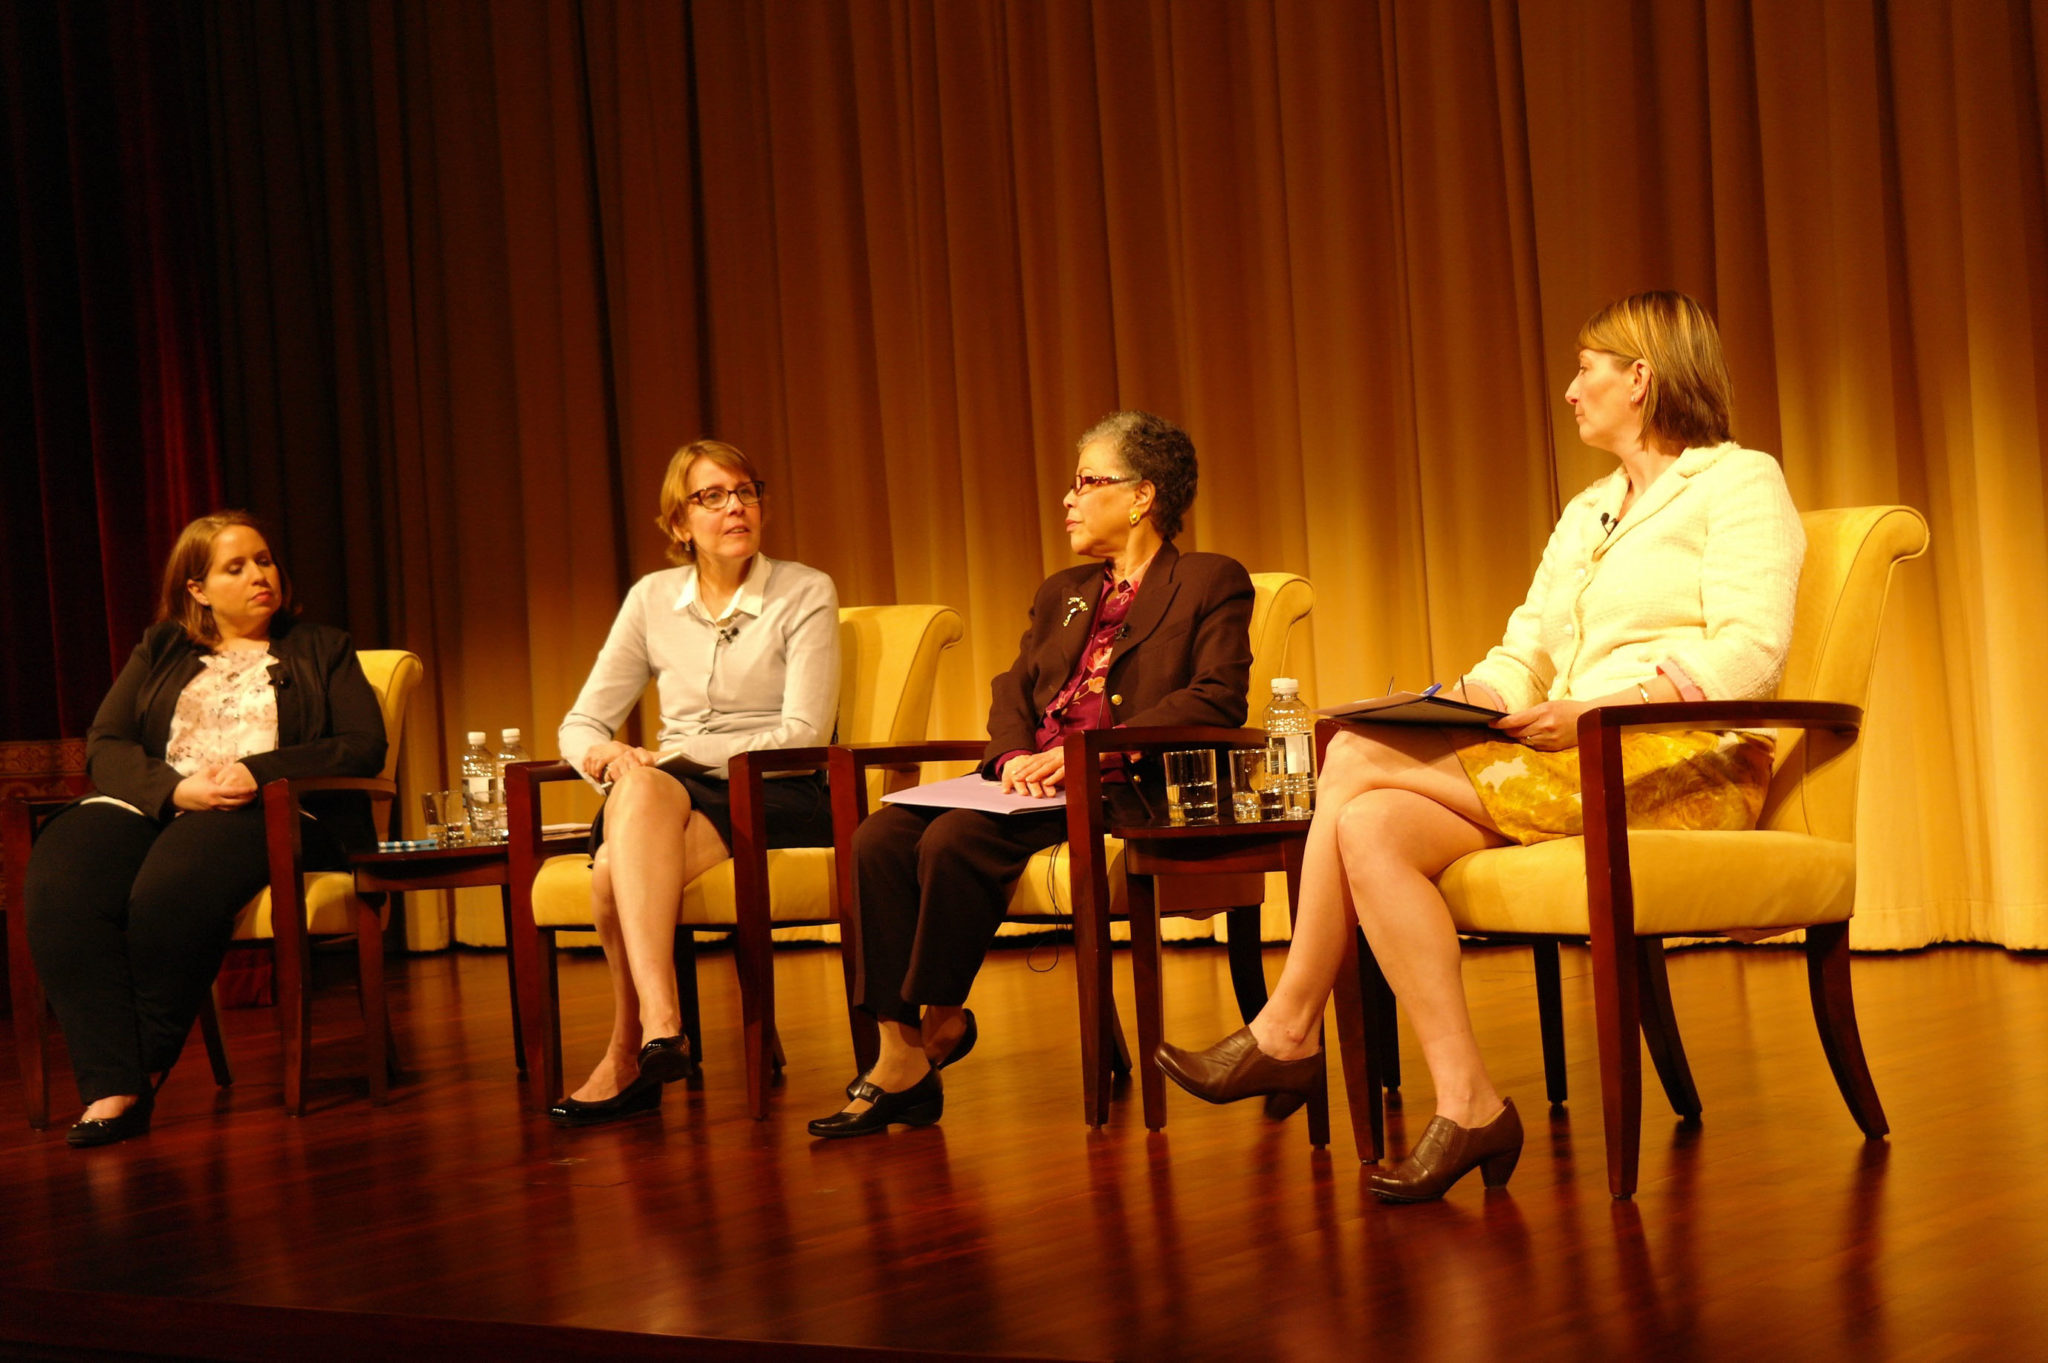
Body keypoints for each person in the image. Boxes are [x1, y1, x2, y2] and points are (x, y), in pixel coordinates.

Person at [1157, 291, 1806, 1201]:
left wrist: (1599, 707)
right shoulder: (1590, 511)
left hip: (1681, 758)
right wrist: (1444, 703)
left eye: (1588, 370)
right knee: (1371, 824)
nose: (1573, 390)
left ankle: (1287, 1027)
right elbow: (1522, 656)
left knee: (1345, 762)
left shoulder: (1740, 482)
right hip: (1579, 755)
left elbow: (1751, 649)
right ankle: (1468, 1102)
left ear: (1641, 378)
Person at [810, 410, 1255, 1139]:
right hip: (1028, 781)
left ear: (1142, 496)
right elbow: (1012, 688)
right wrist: (1015, 754)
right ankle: (901, 1049)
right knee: (879, 836)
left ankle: (942, 1015)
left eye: (1087, 481)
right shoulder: (1063, 590)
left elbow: (1215, 696)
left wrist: (1093, 750)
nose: (1068, 498)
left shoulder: (1209, 579)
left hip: (1119, 785)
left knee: (952, 840)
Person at [24, 512, 388, 1147]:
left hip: (267, 808)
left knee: (174, 880)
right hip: (163, 801)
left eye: (265, 560)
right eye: (236, 567)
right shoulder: (162, 647)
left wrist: (255, 770)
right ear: (197, 589)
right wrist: (173, 790)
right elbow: (106, 743)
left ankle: (136, 1070)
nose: (260, 576)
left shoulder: (322, 647)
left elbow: (361, 746)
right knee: (62, 874)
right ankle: (114, 1079)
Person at [548, 439, 840, 1127]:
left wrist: (673, 757)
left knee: (611, 869)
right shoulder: (651, 599)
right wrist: (604, 758)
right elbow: (581, 720)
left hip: (777, 785)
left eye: (746, 491)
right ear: (680, 523)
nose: (736, 506)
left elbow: (803, 730)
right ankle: (661, 1024)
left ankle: (633, 1044)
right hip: (666, 794)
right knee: (638, 790)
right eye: (712, 496)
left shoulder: (804, 589)